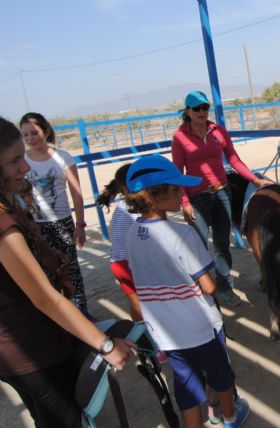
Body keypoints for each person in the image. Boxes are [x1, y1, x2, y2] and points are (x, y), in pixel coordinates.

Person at [0, 116, 135, 427]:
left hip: (29, 342)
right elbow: (45, 299)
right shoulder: (4, 226)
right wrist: (105, 345)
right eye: (14, 161)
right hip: (31, 349)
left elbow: (37, 248)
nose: (25, 167)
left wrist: (54, 260)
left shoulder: (10, 205)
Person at [124, 155, 250, 428]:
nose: (182, 193)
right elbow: (208, 286)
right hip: (200, 327)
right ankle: (229, 418)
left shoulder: (131, 234)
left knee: (186, 385)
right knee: (220, 376)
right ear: (152, 197)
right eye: (175, 189)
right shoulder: (182, 233)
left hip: (165, 331)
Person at [171, 91, 271, 307]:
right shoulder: (180, 137)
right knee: (198, 246)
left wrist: (255, 179)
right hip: (197, 198)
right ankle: (201, 290)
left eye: (205, 107)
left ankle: (225, 287)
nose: (201, 112)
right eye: (196, 108)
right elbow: (178, 173)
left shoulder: (219, 131)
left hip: (222, 192)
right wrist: (185, 203)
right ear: (187, 111)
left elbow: (234, 159)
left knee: (222, 244)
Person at [20, 112, 91, 317]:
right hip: (35, 223)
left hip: (62, 222)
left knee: (71, 268)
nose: (30, 139)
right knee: (45, 271)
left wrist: (80, 224)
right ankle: (61, 316)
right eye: (25, 135)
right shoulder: (23, 162)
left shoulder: (63, 157)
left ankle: (82, 313)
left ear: (46, 131)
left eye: (34, 133)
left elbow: (76, 193)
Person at [96, 163, 142, 322]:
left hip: (117, 263)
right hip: (131, 263)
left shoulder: (121, 207)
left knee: (136, 303)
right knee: (147, 303)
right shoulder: (135, 208)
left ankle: (143, 338)